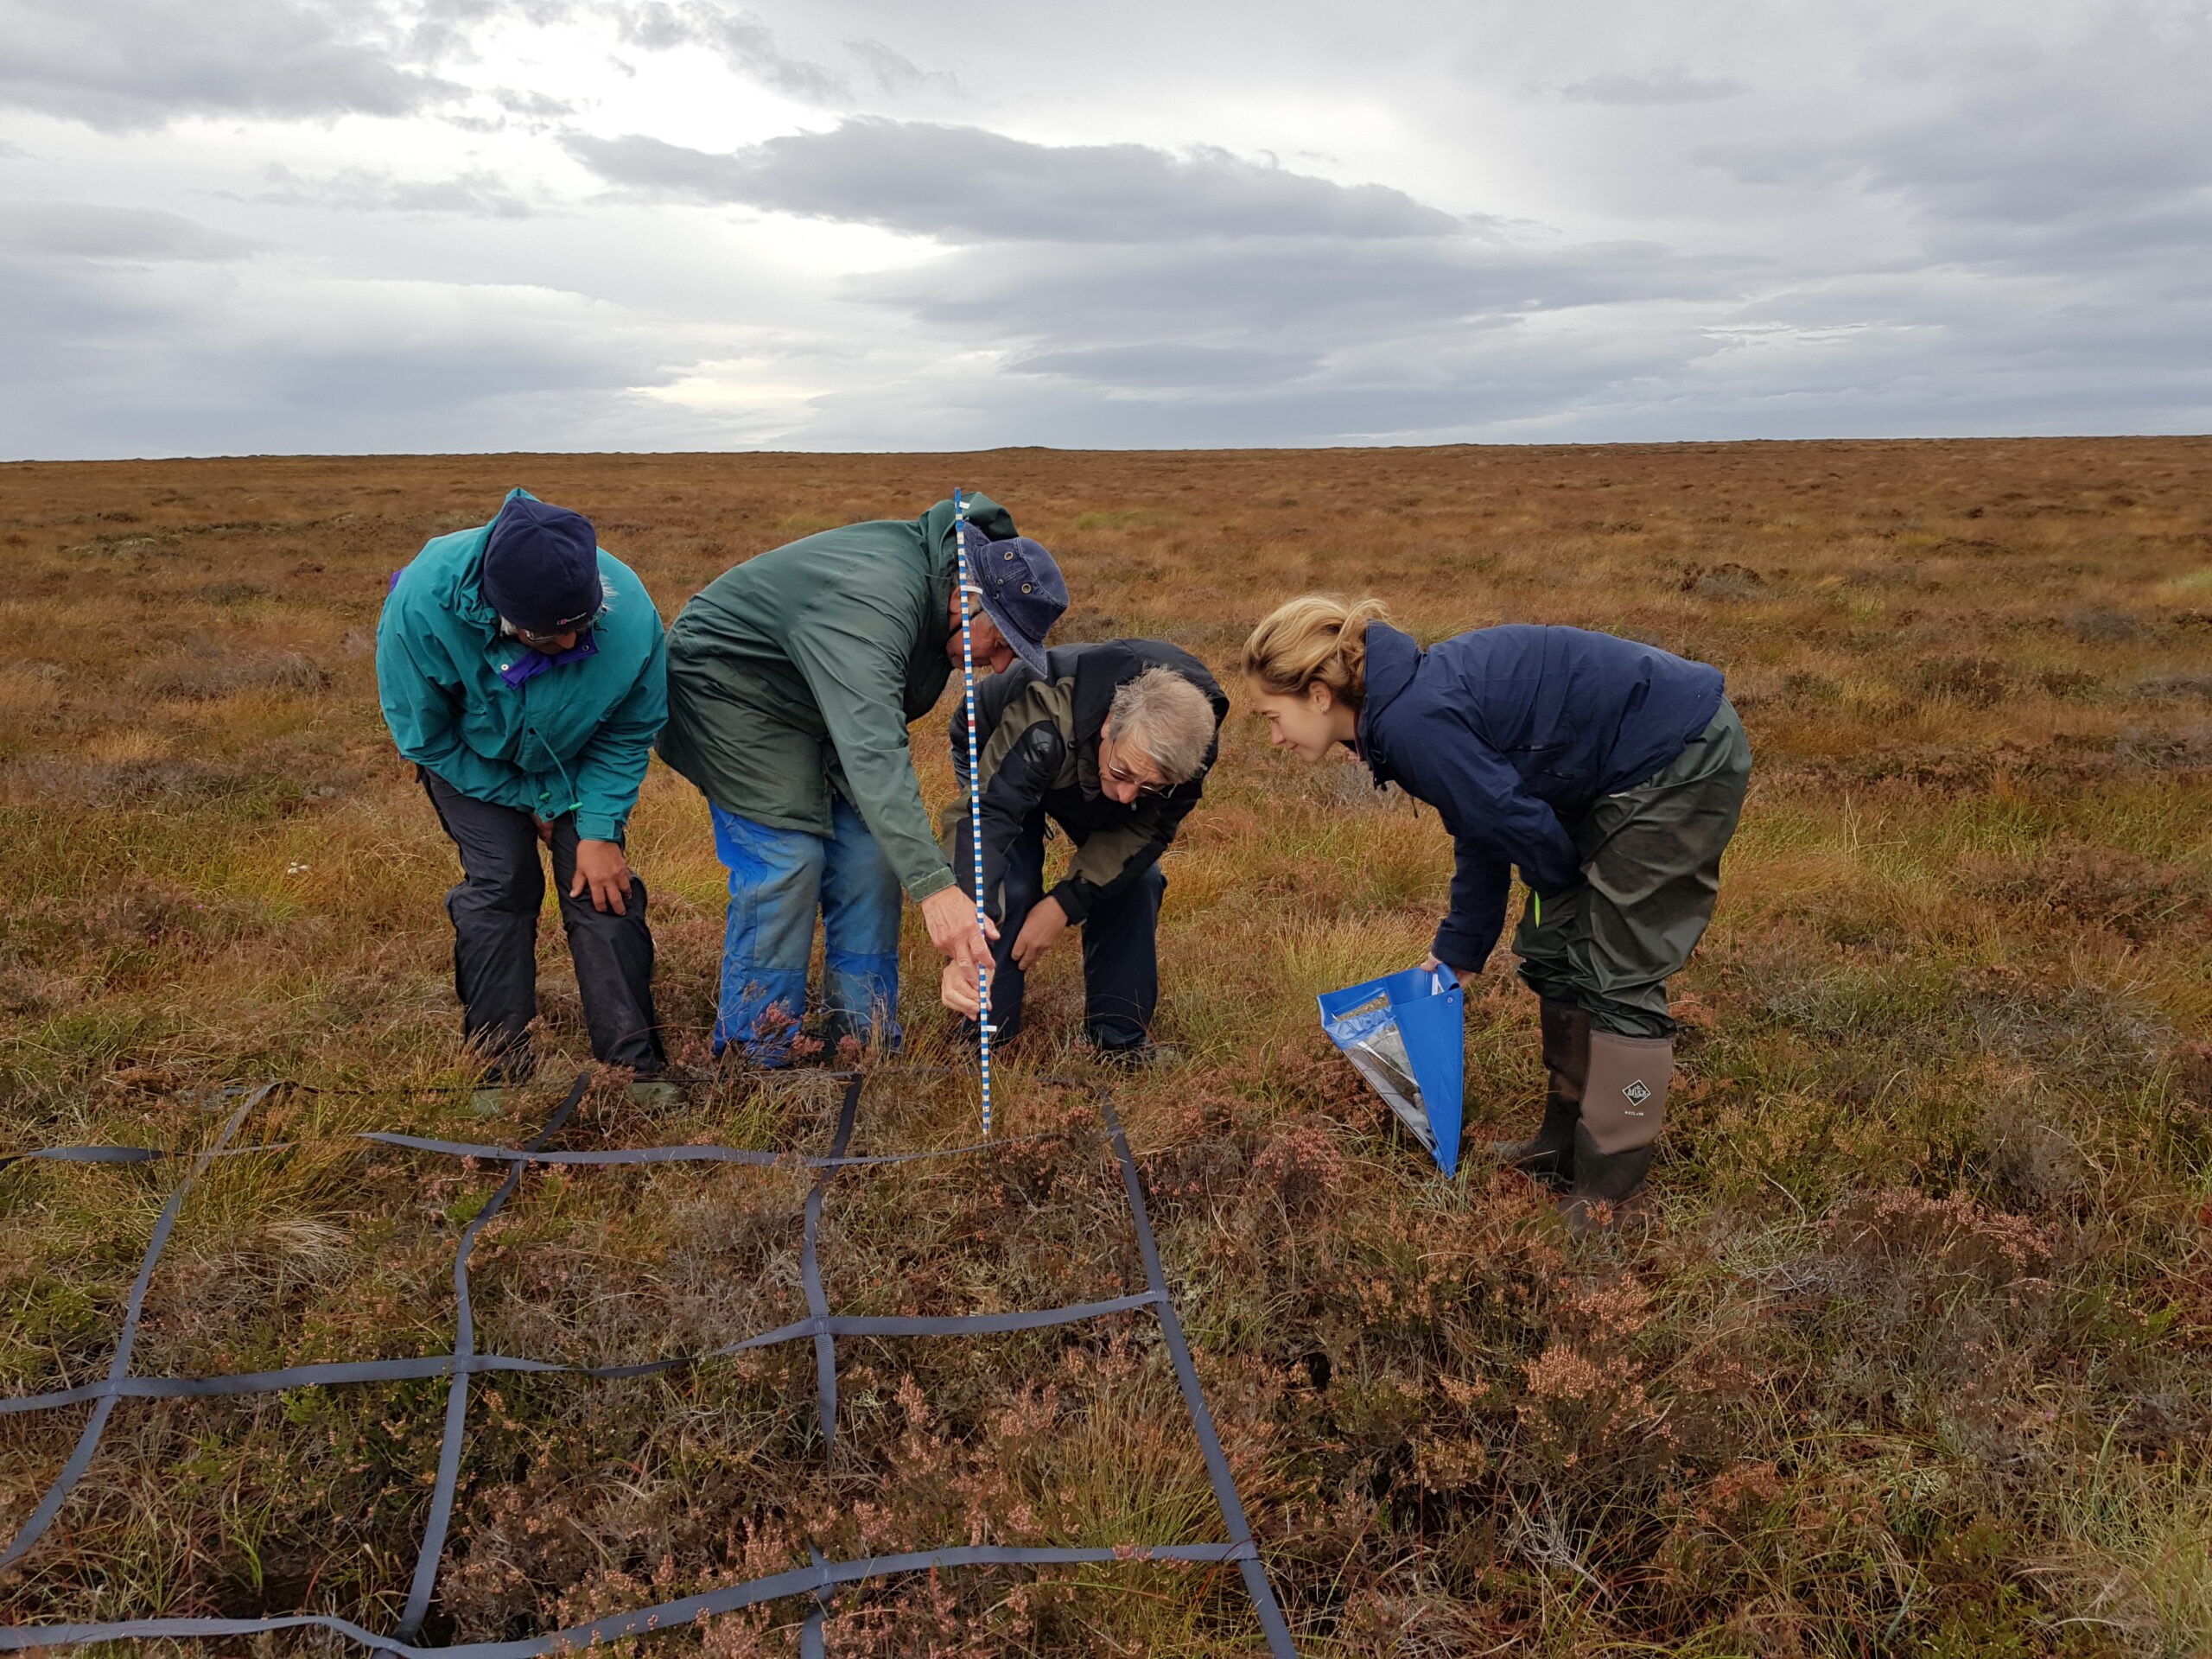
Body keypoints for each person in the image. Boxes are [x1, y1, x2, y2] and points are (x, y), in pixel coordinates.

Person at [1242, 596, 1750, 1223]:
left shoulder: (1411, 720)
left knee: (1620, 968)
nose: (1274, 738)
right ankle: (1563, 1143)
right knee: (1553, 951)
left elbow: (1508, 819)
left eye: (1273, 716)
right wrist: (1463, 947)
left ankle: (1612, 1191)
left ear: (1319, 694)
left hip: (1675, 753)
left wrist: (1567, 885)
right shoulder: (1404, 711)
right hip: (1602, 769)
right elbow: (1482, 820)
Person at [658, 497, 1068, 1065]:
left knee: (872, 859)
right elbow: (872, 746)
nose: (1000, 666)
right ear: (965, 602)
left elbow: (868, 736)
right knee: (789, 861)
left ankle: (862, 1041)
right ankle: (757, 1052)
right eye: (1000, 644)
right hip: (727, 691)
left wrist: (923, 879)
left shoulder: (947, 593)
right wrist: (935, 888)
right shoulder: (874, 602)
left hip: (813, 709)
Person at [377, 489, 669, 1089]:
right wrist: (524, 801)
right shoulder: (420, 607)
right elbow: (426, 737)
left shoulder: (631, 614)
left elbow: (630, 726)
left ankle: (633, 1070)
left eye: (580, 630)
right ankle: (498, 1068)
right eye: (543, 637)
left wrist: (596, 828)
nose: (566, 646)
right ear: (496, 608)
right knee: (504, 883)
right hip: (472, 763)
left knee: (599, 886)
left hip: (578, 758)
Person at [937, 640, 1227, 1064]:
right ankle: (985, 1036)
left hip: (1085, 760)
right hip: (1001, 745)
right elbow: (988, 818)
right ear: (1109, 724)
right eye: (1124, 772)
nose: (1127, 795)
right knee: (1011, 886)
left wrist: (1063, 904)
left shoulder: (1191, 749)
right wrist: (963, 940)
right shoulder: (1044, 715)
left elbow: (1145, 831)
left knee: (1136, 879)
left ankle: (1119, 1040)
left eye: (1149, 786)